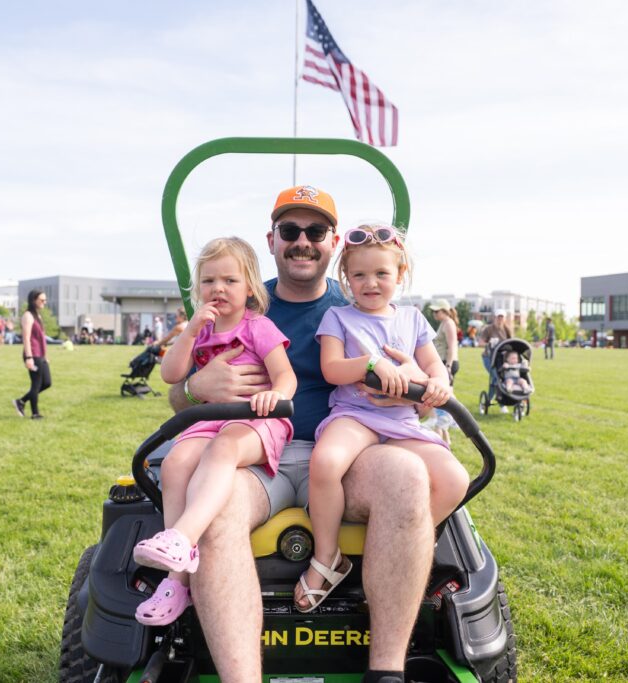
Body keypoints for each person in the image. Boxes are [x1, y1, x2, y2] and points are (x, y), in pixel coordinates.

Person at [169, 185, 458, 682]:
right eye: (290, 230)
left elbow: (428, 382)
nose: (302, 241)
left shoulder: (365, 305)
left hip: (351, 452)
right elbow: (176, 394)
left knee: (408, 477)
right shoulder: (239, 303)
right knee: (215, 506)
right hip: (256, 456)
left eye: (316, 231)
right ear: (272, 240)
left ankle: (386, 671)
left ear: (333, 243)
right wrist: (196, 388)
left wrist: (414, 384)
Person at [294, 225, 466, 613]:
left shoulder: (413, 319)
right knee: (326, 462)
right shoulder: (338, 318)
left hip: (401, 421)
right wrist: (371, 363)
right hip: (356, 415)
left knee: (455, 479)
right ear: (346, 277)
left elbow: (434, 368)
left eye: (381, 274)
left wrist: (437, 384)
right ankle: (327, 556)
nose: (370, 283)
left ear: (400, 274)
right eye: (359, 275)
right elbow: (332, 369)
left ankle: (401, 549)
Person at [133, 237, 297, 627]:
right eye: (208, 281)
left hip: (256, 420)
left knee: (222, 449)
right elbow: (171, 374)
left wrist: (275, 395)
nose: (218, 289)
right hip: (210, 418)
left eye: (229, 280)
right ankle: (177, 581)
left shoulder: (258, 327)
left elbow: (286, 376)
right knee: (174, 464)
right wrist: (189, 332)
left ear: (250, 287)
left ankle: (183, 535)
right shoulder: (201, 331)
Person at [13, 290, 51, 419]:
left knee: (47, 383)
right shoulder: (28, 316)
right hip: (33, 354)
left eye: (45, 300)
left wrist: (45, 355)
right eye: (42, 300)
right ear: (34, 300)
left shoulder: (38, 316)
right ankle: (35, 414)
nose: (44, 302)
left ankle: (21, 401)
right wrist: (29, 357)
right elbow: (26, 338)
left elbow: (41, 338)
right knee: (36, 384)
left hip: (40, 354)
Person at [426, 299, 460, 444]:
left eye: (436, 311)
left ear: (444, 311)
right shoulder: (443, 323)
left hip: (447, 362)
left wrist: (448, 366)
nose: (434, 314)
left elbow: (452, 346)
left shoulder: (449, 324)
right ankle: (448, 420)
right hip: (443, 362)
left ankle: (452, 419)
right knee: (447, 393)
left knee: (445, 394)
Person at [478, 310, 513, 412]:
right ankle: (501, 404)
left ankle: (490, 400)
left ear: (504, 318)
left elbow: (511, 343)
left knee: (498, 379)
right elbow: (480, 343)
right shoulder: (488, 329)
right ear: (495, 317)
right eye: (498, 317)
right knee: (496, 377)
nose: (500, 319)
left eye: (502, 317)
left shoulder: (507, 329)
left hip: (501, 358)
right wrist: (489, 343)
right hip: (489, 357)